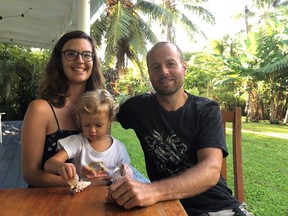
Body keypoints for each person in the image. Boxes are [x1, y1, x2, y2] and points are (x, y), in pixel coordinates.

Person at [107, 42, 253, 216]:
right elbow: (99, 114)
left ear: (184, 68)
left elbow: (211, 169)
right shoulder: (139, 108)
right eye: (155, 67)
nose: (164, 72)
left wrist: (151, 191)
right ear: (150, 74)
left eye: (170, 64)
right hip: (167, 209)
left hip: (217, 208)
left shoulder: (205, 109)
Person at [21, 30, 105, 187]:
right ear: (59, 60)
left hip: (87, 201)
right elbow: (31, 174)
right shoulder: (40, 109)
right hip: (47, 201)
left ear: (93, 61)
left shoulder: (99, 109)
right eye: (71, 54)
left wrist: (100, 179)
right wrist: (79, 185)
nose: (80, 60)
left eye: (87, 54)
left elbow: (98, 156)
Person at [44, 89, 132, 183]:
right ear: (80, 121)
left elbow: (125, 175)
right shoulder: (78, 142)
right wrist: (60, 166)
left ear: (109, 121)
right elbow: (49, 164)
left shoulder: (119, 149)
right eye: (86, 125)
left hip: (108, 195)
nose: (92, 130)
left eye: (98, 125)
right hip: (82, 194)